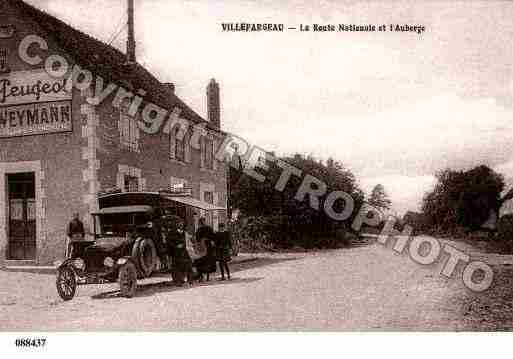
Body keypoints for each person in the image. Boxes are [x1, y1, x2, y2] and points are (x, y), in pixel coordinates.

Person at [166, 216, 194, 286]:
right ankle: (179, 281)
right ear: (176, 224)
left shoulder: (185, 233)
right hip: (176, 253)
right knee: (177, 267)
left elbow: (188, 242)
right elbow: (169, 242)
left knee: (188, 265)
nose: (181, 225)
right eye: (179, 223)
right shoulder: (171, 233)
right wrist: (176, 246)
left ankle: (190, 280)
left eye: (182, 223)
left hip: (185, 252)